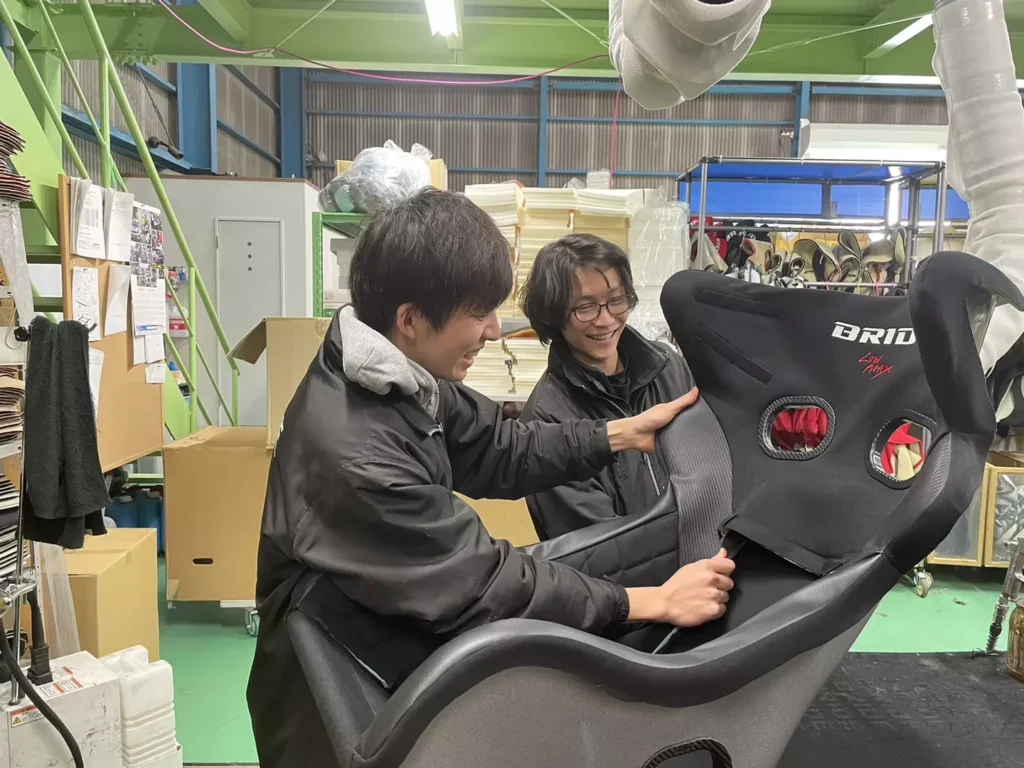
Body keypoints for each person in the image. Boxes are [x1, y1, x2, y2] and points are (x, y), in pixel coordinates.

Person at [246, 189, 735, 768]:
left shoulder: (393, 374)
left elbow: (500, 447)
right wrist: (645, 601)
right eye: (478, 314)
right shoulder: (361, 457)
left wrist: (618, 435)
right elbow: (479, 583)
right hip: (343, 700)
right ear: (410, 319)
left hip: (383, 636)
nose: (494, 331)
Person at [519, 233, 694, 539]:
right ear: (553, 314)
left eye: (616, 300)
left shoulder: (668, 367)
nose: (606, 320)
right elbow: (600, 546)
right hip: (640, 570)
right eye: (585, 307)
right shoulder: (545, 421)